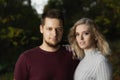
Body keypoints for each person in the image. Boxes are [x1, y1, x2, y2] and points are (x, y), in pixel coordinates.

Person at [14, 9, 78, 80]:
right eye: (49, 29)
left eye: (59, 29)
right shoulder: (26, 59)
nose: (54, 34)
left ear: (63, 30)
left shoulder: (72, 55)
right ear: (41, 29)